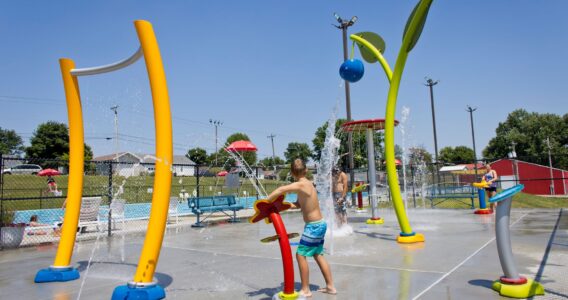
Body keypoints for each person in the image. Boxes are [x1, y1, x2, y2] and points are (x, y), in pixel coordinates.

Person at [266, 159, 336, 297]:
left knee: (300, 255)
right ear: (306, 170)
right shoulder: (308, 184)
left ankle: (305, 289)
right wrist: (284, 206)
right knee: (317, 254)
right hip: (320, 224)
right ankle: (330, 287)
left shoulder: (300, 185)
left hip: (313, 226)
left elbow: (280, 189)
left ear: (292, 173)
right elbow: (298, 205)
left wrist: (265, 202)